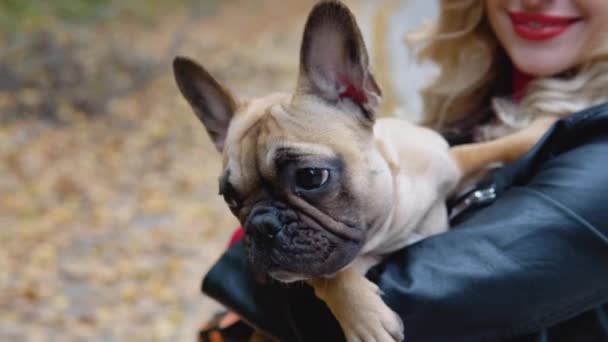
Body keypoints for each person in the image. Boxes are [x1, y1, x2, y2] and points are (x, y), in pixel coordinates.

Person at [200, 0, 608, 341]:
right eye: (235, 197)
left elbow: (418, 307)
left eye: (309, 179)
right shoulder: (476, 96)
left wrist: (247, 265)